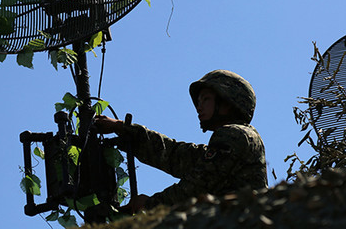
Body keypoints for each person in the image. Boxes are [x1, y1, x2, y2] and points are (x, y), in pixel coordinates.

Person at [94, 69, 268, 212]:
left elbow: (197, 186)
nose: (199, 106)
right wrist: (122, 128)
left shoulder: (234, 135)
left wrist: (150, 205)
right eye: (198, 101)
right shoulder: (235, 140)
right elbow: (173, 154)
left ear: (227, 103)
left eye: (206, 99)